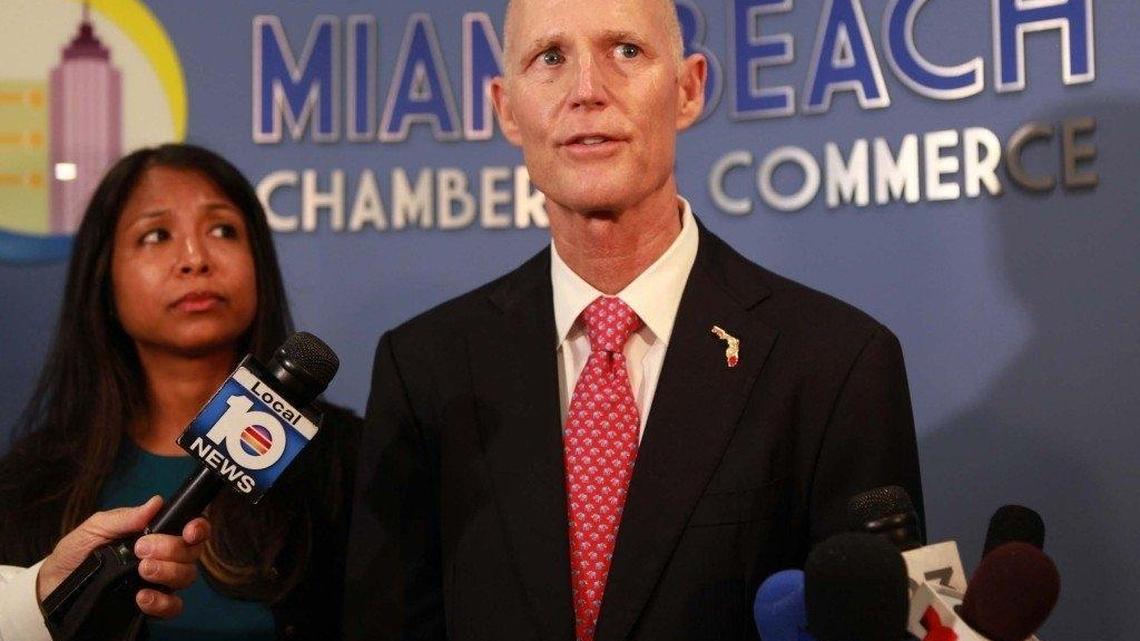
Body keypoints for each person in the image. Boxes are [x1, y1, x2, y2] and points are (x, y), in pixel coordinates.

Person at [343, 1, 923, 640]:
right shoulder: (427, 366)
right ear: (507, 108)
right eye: (551, 57)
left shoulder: (835, 363)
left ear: (687, 89)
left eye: (625, 50)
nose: (587, 90)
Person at [0, 144, 357, 641]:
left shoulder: (345, 459)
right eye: (156, 235)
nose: (195, 259)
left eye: (222, 230)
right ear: (104, 278)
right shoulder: (31, 481)